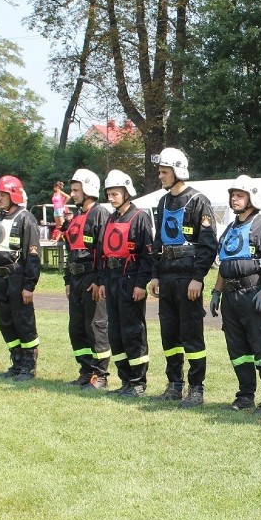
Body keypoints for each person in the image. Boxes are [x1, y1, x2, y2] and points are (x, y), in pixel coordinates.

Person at [209, 175, 261, 415]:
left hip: (253, 294)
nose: (234, 199)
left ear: (252, 198)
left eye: (240, 195)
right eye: (233, 195)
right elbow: (224, 265)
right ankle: (245, 396)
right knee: (237, 349)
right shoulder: (229, 230)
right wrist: (215, 292)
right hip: (230, 298)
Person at [149, 147, 217, 408]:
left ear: (178, 171)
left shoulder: (199, 201)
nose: (160, 175)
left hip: (188, 276)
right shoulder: (163, 202)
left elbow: (209, 243)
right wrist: (155, 275)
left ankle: (196, 388)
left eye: (164, 171)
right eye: (160, 171)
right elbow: (158, 240)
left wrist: (198, 277)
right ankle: (174, 384)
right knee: (169, 333)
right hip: (166, 275)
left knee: (191, 333)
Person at [95, 170, 155, 397]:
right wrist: (101, 281)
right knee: (115, 332)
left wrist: (141, 284)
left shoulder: (139, 217)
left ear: (127, 193)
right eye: (109, 193)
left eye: (115, 193)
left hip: (130, 280)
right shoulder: (110, 218)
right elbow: (102, 252)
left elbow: (147, 255)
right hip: (111, 279)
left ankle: (138, 382)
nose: (111, 197)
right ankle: (125, 380)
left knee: (133, 331)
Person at [63, 168, 112, 389]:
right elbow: (69, 249)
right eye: (72, 190)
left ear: (88, 188)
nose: (72, 194)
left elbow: (103, 249)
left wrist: (99, 280)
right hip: (75, 279)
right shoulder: (76, 217)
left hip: (91, 277)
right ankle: (86, 370)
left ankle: (101, 375)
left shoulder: (99, 213)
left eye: (76, 190)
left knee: (96, 326)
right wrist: (67, 280)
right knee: (77, 327)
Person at [0, 175, 42, 381]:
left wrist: (29, 285)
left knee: (23, 322)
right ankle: (17, 361)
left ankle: (28, 366)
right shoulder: (0, 218)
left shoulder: (25, 218)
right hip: (1, 278)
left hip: (17, 277)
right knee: (6, 322)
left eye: (2, 195)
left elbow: (33, 255)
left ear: (13, 195)